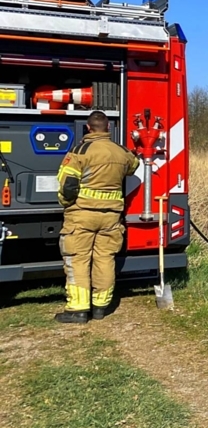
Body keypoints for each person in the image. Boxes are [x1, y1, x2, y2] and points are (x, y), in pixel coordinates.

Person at [55, 111, 140, 323]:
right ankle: (101, 306)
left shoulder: (80, 151)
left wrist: (67, 204)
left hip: (82, 214)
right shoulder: (121, 152)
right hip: (111, 217)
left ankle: (78, 309)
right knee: (105, 258)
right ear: (108, 128)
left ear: (88, 127)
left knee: (78, 259)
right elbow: (134, 166)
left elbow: (68, 184)